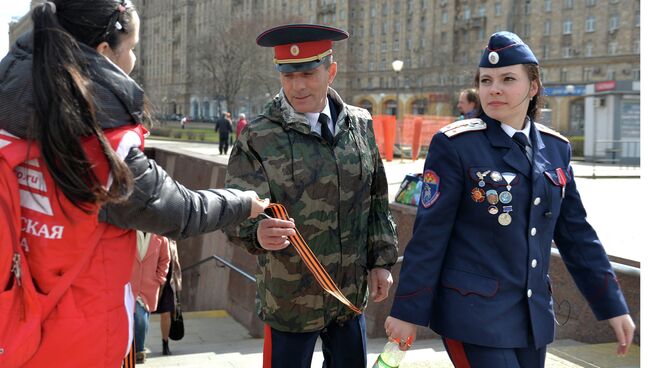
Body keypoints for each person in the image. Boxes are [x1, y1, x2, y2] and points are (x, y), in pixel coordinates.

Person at [0, 1, 268, 366]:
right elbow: (180, 211)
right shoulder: (103, 148)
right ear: (104, 51)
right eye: (132, 48)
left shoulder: (11, 119)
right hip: (77, 340)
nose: (135, 60)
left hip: (14, 330)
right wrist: (243, 201)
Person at [385, 31, 635, 367]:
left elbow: (576, 234)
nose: (494, 89)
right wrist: (407, 310)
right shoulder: (457, 145)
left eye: (507, 79)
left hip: (531, 318)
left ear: (533, 88)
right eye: (486, 80)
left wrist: (613, 304)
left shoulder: (556, 148)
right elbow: (429, 236)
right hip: (472, 315)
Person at [225, 24, 398, 368]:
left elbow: (376, 198)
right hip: (290, 301)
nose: (297, 86)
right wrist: (254, 232)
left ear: (330, 71)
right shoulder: (258, 136)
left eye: (307, 73)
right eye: (288, 76)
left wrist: (381, 261)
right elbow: (236, 208)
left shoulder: (360, 124)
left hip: (347, 296)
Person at [130, 232, 171, 364]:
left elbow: (165, 260)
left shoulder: (161, 238)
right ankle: (138, 351)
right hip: (129, 285)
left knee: (143, 319)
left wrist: (159, 279)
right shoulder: (129, 233)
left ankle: (136, 349)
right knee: (138, 319)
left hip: (149, 287)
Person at [152, 235, 182, 357]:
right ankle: (139, 345)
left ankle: (165, 344)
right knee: (142, 314)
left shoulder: (172, 240)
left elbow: (176, 262)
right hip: (151, 281)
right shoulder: (151, 236)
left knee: (166, 313)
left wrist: (178, 283)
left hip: (168, 282)